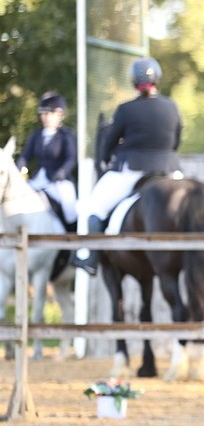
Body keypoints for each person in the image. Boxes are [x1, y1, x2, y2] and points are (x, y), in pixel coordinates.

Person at [72, 57, 182, 275]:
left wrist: (105, 158)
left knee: (93, 208)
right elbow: (176, 142)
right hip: (170, 171)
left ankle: (90, 257)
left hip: (133, 170)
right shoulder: (171, 107)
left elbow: (109, 142)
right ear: (157, 79)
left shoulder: (126, 109)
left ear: (134, 81)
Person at [17, 92, 78, 225]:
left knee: (70, 211)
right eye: (43, 113)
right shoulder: (36, 135)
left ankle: (72, 233)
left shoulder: (66, 135)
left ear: (59, 115)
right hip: (38, 179)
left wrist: (62, 172)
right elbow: (25, 156)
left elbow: (71, 158)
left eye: (50, 113)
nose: (46, 117)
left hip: (59, 181)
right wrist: (19, 167)